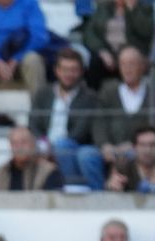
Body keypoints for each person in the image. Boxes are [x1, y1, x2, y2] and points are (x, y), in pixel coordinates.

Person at [30, 49, 102, 189]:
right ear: (57, 71)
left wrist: (53, 148)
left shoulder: (90, 97)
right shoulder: (43, 93)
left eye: (74, 70)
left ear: (81, 72)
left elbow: (80, 132)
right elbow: (34, 123)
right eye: (65, 69)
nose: (69, 74)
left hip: (74, 146)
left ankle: (70, 187)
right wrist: (44, 145)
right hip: (45, 144)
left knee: (64, 146)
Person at [93, 46, 155, 175]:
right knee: (86, 155)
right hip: (109, 148)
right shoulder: (108, 92)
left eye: (131, 64)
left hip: (137, 148)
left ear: (142, 67)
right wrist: (105, 145)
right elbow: (99, 122)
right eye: (123, 64)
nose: (127, 69)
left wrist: (133, 145)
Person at [82, 0, 153, 90]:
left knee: (128, 63)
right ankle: (94, 97)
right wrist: (102, 51)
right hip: (107, 51)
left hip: (130, 52)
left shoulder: (144, 9)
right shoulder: (103, 8)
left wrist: (132, 10)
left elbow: (146, 31)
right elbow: (90, 33)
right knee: (95, 63)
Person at [0, 125, 61, 190]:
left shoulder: (49, 172)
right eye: (15, 143)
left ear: (33, 144)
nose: (19, 147)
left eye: (23, 142)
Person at [104, 123, 155, 192]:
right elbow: (108, 188)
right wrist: (110, 186)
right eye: (142, 145)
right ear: (134, 147)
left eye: (152, 145)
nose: (147, 150)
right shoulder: (122, 168)